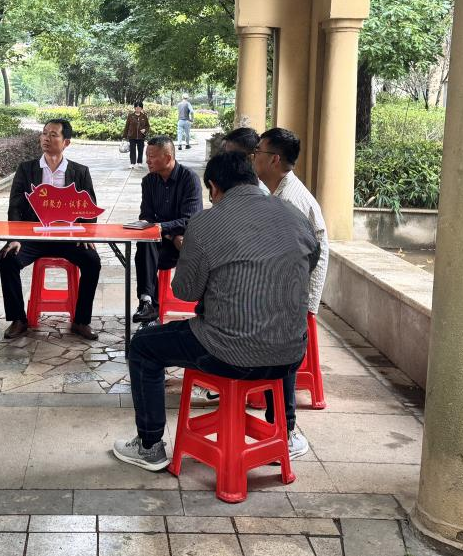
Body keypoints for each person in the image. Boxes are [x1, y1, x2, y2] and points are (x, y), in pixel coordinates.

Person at [113, 151, 319, 471]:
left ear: (213, 187)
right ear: (253, 179)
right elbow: (310, 260)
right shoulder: (294, 214)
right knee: (280, 330)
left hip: (227, 353)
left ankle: (150, 445)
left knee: (143, 346)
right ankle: (285, 433)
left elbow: (185, 291)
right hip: (291, 353)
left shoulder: (206, 222)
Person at [252, 127, 330, 459]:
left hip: (293, 293)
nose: (254, 157)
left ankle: (286, 431)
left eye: (258, 151)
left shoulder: (291, 201)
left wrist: (300, 302)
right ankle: (278, 424)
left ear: (274, 159)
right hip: (283, 288)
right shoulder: (275, 191)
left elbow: (308, 255)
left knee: (280, 352)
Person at [0, 119, 102, 341]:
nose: (46, 138)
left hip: (69, 237)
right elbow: (15, 206)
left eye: (53, 135)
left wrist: (86, 234)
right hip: (33, 237)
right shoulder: (26, 169)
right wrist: (15, 238)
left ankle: (81, 321)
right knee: (7, 259)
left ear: (66, 142)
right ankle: (18, 319)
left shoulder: (80, 172)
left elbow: (89, 208)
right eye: (44, 133)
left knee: (92, 261)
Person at [131, 137, 203, 324]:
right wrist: (170, 233)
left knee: (147, 253)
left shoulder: (189, 179)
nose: (147, 160)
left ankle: (149, 307)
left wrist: (162, 227)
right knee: (145, 245)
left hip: (183, 246)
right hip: (165, 241)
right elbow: (147, 216)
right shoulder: (149, 181)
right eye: (147, 155)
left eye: (152, 156)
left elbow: (190, 219)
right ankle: (147, 302)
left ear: (168, 157)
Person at [222, 127, 270, 195]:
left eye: (233, 157)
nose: (226, 161)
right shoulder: (223, 185)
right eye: (225, 155)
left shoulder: (261, 194)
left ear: (252, 158)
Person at [122, 102, 150, 168]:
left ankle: (139, 162)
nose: (138, 108)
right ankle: (132, 163)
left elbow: (147, 126)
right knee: (132, 150)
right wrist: (124, 136)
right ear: (134, 108)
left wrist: (145, 130)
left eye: (139, 107)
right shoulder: (130, 116)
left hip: (141, 136)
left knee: (140, 150)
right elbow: (127, 126)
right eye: (136, 107)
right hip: (132, 136)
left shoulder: (144, 116)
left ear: (141, 108)